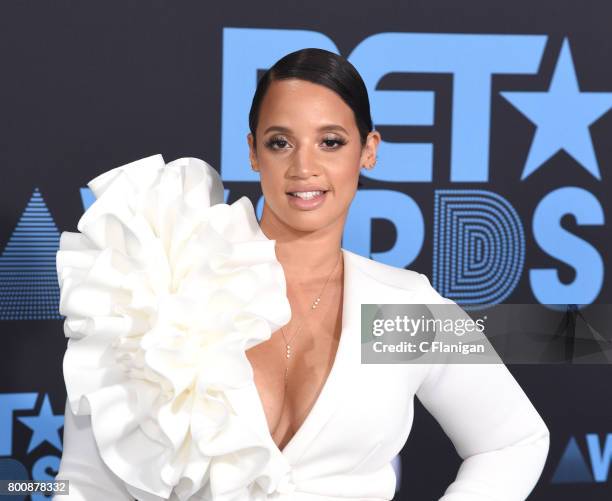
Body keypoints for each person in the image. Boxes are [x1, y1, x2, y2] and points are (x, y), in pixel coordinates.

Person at [54, 48, 550, 500]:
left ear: (369, 149)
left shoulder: (397, 309)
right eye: (280, 143)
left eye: (331, 142)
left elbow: (513, 441)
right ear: (253, 151)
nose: (304, 167)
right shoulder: (164, 278)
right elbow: (86, 482)